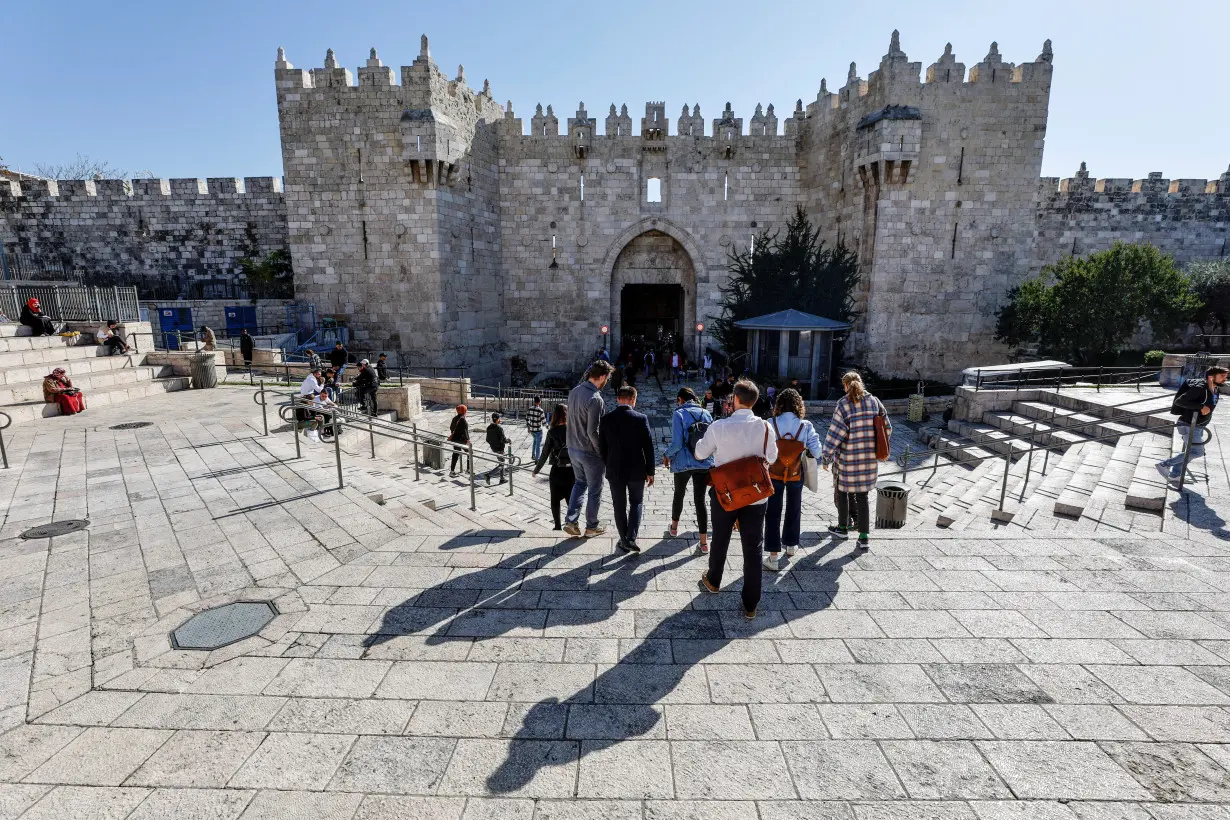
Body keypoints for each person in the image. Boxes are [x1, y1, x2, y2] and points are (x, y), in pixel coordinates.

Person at [695, 379, 777, 619]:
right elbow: (771, 457)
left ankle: (713, 580)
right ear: (753, 402)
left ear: (735, 400)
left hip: (726, 494)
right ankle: (750, 604)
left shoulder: (719, 427)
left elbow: (700, 453)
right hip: (755, 495)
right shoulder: (764, 427)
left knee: (720, 537)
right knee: (753, 548)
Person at [821, 371, 890, 548]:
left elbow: (835, 433)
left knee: (843, 492)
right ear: (860, 382)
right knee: (863, 497)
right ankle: (864, 537)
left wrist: (826, 456)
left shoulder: (843, 404)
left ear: (845, 386)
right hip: (868, 461)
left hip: (847, 461)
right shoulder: (874, 402)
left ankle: (843, 527)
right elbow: (887, 428)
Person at [763, 388, 823, 571]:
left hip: (774, 473)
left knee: (772, 512)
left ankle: (773, 557)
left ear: (779, 404)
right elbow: (817, 451)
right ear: (798, 405)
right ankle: (790, 546)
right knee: (794, 508)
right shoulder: (805, 426)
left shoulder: (770, 423)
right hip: (795, 472)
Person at [599, 386, 655, 554]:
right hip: (637, 470)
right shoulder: (641, 418)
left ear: (618, 399)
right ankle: (631, 537)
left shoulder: (606, 419)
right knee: (636, 502)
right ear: (633, 400)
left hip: (614, 470)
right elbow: (649, 448)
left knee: (619, 505)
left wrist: (608, 463)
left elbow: (602, 448)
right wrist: (650, 471)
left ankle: (624, 539)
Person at [563, 359, 614, 537]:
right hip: (589, 451)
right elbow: (593, 431)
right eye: (607, 378)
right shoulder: (595, 399)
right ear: (601, 377)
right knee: (594, 489)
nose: (607, 382)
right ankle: (591, 526)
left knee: (579, 483)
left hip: (572, 448)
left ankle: (571, 521)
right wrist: (602, 452)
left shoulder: (574, 391)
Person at [665, 387, 715, 553]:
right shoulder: (705, 414)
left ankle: (673, 528)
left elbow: (677, 443)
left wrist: (667, 454)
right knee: (700, 500)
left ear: (680, 399)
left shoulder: (678, 414)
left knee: (679, 494)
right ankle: (703, 543)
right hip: (703, 461)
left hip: (683, 462)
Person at [1160, 365, 1229, 481]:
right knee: (1197, 452)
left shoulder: (1214, 388)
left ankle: (1175, 474)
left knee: (1189, 452)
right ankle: (1165, 464)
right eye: (1222, 376)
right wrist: (1200, 407)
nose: (1225, 378)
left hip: (1198, 425)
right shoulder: (1201, 388)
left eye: (1226, 376)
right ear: (1211, 377)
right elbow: (1180, 401)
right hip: (1189, 425)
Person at [533, 404, 574, 531]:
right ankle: (572, 524)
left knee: (555, 500)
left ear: (555, 415)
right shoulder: (573, 430)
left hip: (556, 470)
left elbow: (545, 453)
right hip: (571, 471)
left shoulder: (551, 432)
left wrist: (536, 469)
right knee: (571, 500)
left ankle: (557, 526)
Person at [484, 412, 509, 485]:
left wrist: (493, 443)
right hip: (500, 449)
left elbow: (487, 439)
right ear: (497, 419)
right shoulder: (499, 428)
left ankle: (502, 479)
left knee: (501, 462)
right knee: (501, 464)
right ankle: (488, 475)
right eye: (499, 418)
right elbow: (504, 440)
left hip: (493, 448)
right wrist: (508, 440)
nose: (500, 420)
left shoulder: (488, 427)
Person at [448, 404, 471, 476]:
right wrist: (468, 440)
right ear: (463, 411)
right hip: (461, 440)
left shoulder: (454, 418)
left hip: (454, 439)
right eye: (465, 410)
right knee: (470, 453)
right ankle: (468, 469)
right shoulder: (463, 420)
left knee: (455, 454)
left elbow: (451, 428)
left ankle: (452, 471)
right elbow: (465, 432)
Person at [526, 396, 547, 462]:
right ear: (539, 401)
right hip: (538, 430)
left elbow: (527, 419)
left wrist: (528, 427)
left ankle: (533, 455)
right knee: (538, 445)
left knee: (535, 442)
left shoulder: (530, 409)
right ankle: (537, 459)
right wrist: (547, 426)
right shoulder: (540, 410)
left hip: (532, 430)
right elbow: (544, 422)